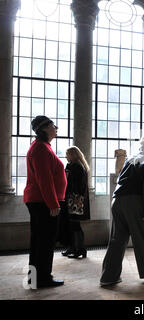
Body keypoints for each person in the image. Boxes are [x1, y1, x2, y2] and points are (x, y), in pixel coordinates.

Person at [100, 132, 144, 286]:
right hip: (135, 202)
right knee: (142, 238)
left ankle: (109, 277)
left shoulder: (132, 158)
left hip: (117, 201)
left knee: (117, 240)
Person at [24, 116, 67, 289]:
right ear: (44, 129)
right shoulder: (41, 149)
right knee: (45, 242)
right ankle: (42, 278)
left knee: (39, 241)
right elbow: (44, 180)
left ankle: (35, 278)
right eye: (52, 125)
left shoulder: (42, 147)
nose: (56, 128)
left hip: (40, 201)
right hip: (43, 202)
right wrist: (53, 204)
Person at [58, 146, 90, 259]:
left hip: (75, 200)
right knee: (71, 225)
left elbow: (76, 185)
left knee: (75, 225)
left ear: (73, 154)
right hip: (73, 199)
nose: (66, 156)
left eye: (67, 154)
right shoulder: (74, 166)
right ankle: (73, 247)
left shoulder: (77, 167)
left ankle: (80, 249)